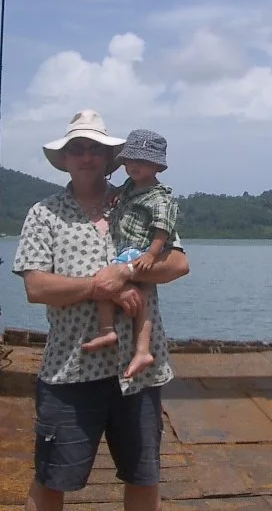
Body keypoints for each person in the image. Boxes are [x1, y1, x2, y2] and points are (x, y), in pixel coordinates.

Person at [12, 109, 189, 511]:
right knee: (51, 479)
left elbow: (179, 263)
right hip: (71, 369)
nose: (87, 156)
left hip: (138, 372)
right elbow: (36, 287)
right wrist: (98, 287)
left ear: (111, 157)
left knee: (144, 478)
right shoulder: (45, 213)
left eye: (95, 148)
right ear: (66, 159)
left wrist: (124, 273)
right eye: (78, 149)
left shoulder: (140, 200)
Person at [81, 129, 178, 383]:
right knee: (107, 284)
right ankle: (110, 331)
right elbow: (121, 194)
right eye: (131, 160)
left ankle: (139, 347)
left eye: (143, 162)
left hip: (138, 251)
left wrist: (151, 255)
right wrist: (115, 196)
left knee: (117, 286)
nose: (134, 166)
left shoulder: (160, 198)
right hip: (126, 249)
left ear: (157, 166)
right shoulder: (129, 187)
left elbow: (162, 230)